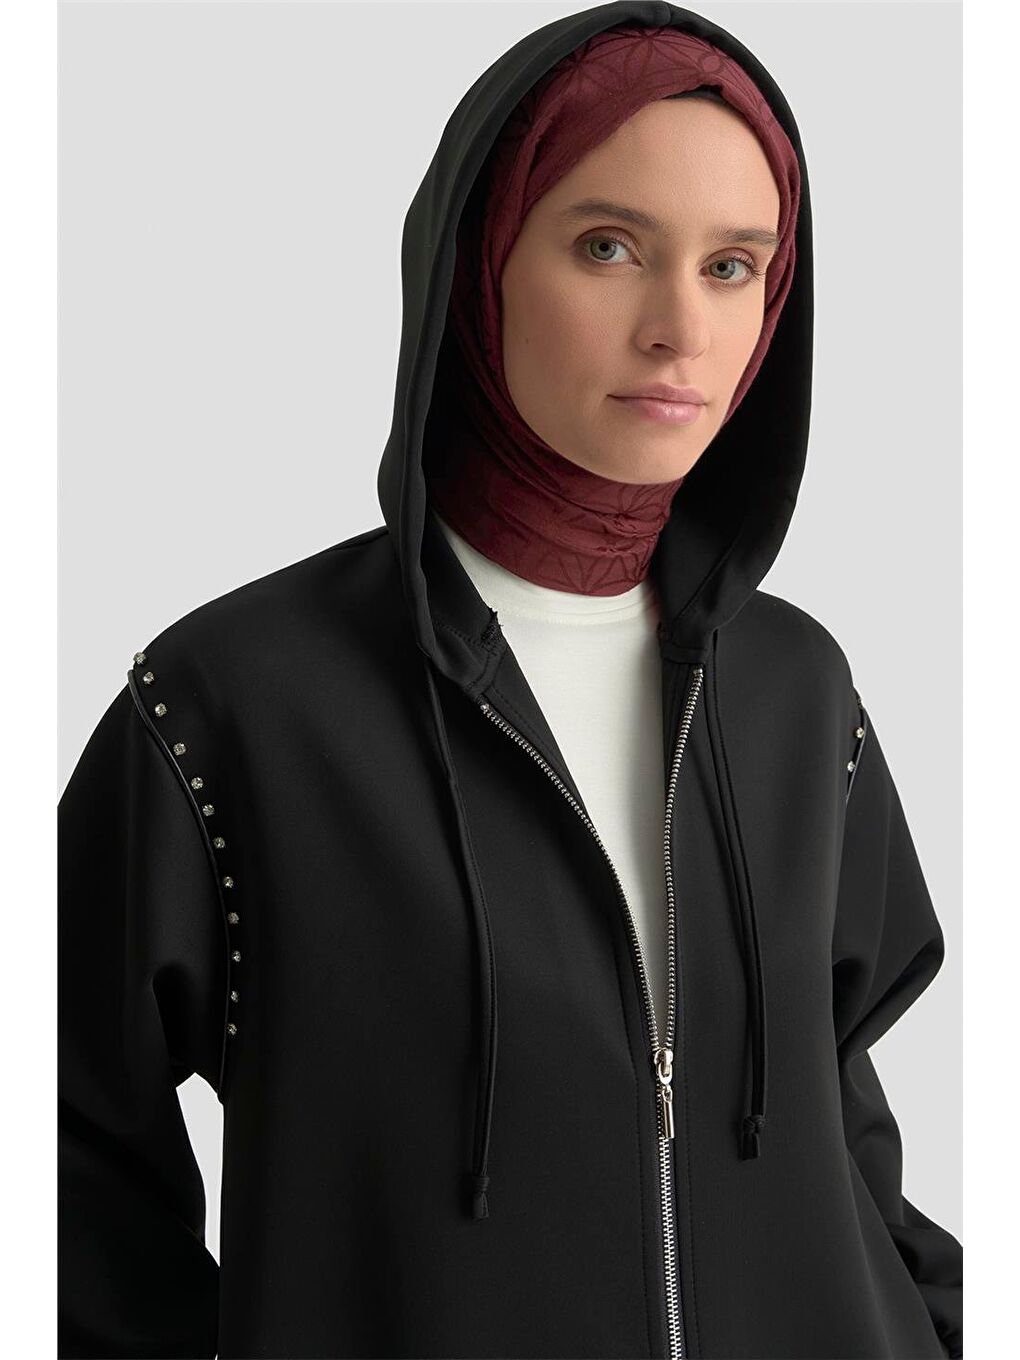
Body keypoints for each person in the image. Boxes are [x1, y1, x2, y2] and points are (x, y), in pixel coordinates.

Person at [58, 3, 963, 1358]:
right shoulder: (231, 704)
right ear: (477, 261)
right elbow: (61, 1150)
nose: (680, 328)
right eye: (610, 247)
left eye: (732, 266)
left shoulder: (800, 691)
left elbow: (842, 1120)